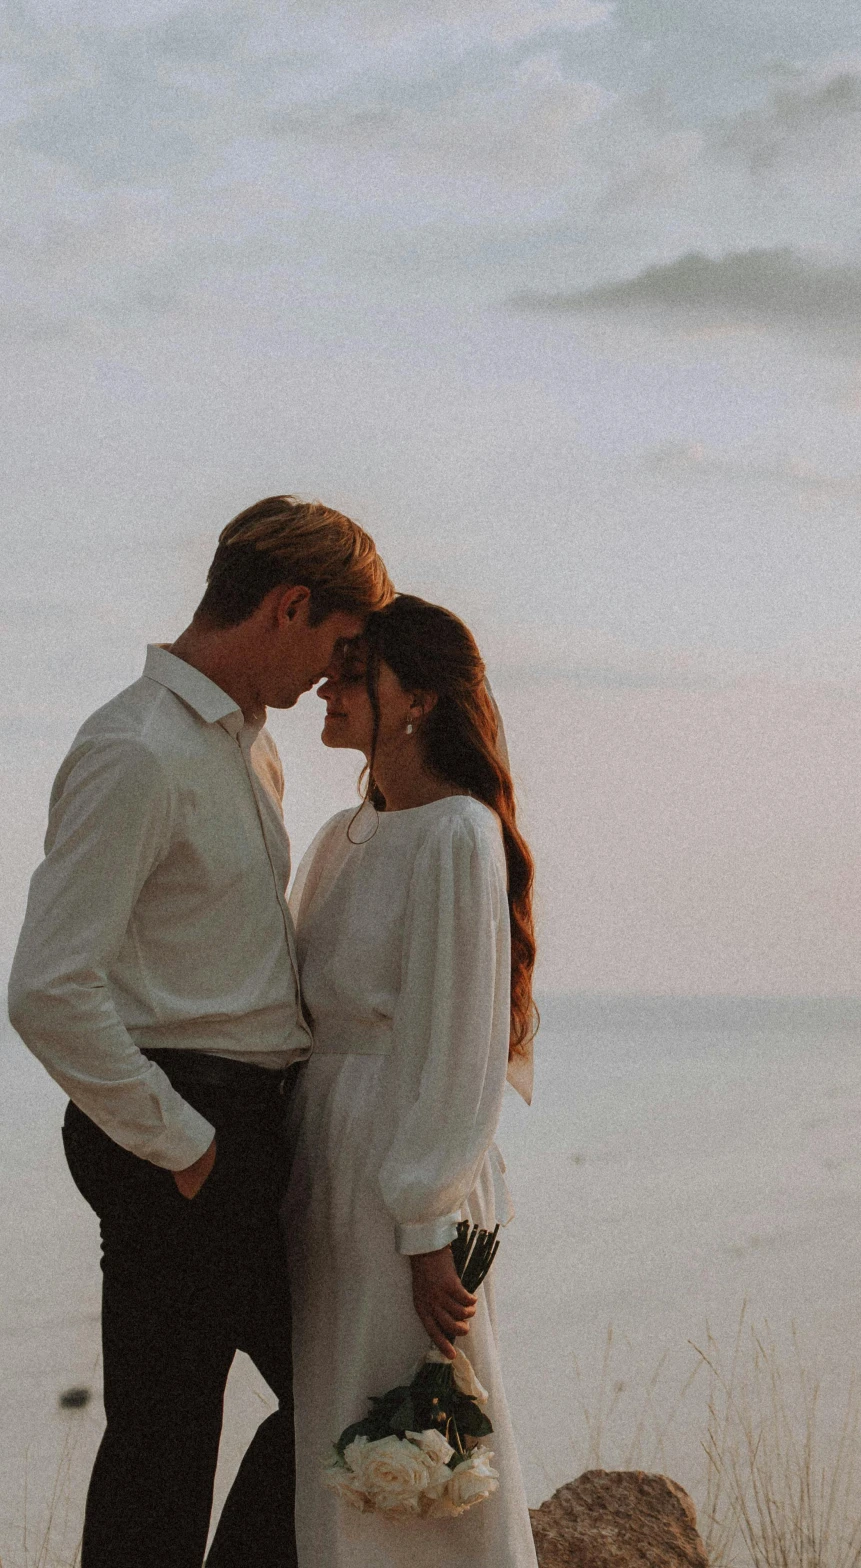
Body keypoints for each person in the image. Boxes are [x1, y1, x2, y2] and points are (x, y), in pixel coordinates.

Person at [7, 497, 394, 1568]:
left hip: (235, 1121)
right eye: (335, 645)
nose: (331, 676)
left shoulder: (247, 747)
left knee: (313, 1405)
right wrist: (185, 1144)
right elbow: (45, 985)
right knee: (191, 1435)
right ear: (290, 605)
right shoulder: (136, 749)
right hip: (180, 1121)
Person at [286, 593, 539, 1566]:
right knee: (337, 1423)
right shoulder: (344, 836)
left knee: (416, 1429)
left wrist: (428, 1221)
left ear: (420, 696)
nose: (328, 684)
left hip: (402, 1169)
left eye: (356, 669)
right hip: (329, 1158)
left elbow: (457, 1039)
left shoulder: (457, 835)